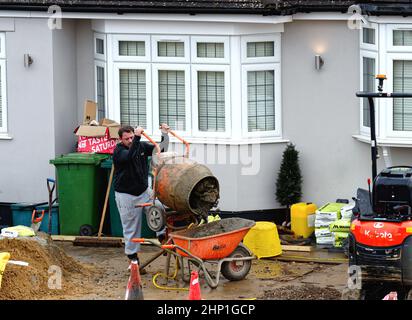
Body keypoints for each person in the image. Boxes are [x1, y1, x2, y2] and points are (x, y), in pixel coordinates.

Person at [113, 123, 170, 267]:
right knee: (131, 227)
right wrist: (137, 137)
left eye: (132, 137)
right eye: (127, 139)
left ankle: (163, 237)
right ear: (121, 140)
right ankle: (133, 259)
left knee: (158, 208)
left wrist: (165, 134)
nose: (131, 140)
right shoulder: (118, 152)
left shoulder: (142, 146)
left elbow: (160, 149)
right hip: (126, 195)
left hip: (144, 191)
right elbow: (130, 156)